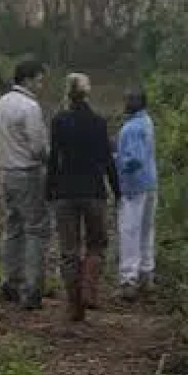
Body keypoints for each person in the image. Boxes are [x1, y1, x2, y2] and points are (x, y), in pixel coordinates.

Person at [46, 72, 120, 322]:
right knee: (97, 243)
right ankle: (89, 287)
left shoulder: (59, 121)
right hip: (93, 191)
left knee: (68, 250)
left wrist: (50, 189)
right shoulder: (98, 122)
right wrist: (116, 189)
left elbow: (53, 159)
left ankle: (73, 305)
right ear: (87, 93)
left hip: (66, 192)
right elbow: (107, 159)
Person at [0, 59, 50, 310]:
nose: (41, 84)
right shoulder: (30, 107)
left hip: (6, 171)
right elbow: (38, 147)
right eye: (39, 79)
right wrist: (51, 159)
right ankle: (33, 288)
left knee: (12, 226)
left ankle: (9, 280)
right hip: (27, 173)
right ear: (27, 80)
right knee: (36, 229)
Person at [116, 88, 159, 299]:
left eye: (129, 99)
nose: (125, 102)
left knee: (130, 231)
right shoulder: (147, 121)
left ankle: (128, 279)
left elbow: (134, 159)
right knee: (146, 230)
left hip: (134, 186)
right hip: (150, 182)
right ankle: (146, 273)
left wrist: (117, 159)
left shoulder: (131, 128)